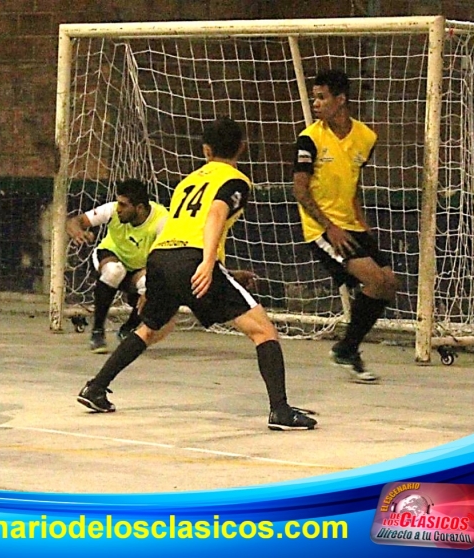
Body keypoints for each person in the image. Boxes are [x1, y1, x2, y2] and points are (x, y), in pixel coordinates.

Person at [77, 117, 317, 431]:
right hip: (193, 259)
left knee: (150, 328)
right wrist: (207, 263)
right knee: (263, 331)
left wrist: (209, 270)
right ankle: (280, 411)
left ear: (205, 149)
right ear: (242, 147)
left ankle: (96, 388)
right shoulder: (235, 180)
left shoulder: (187, 182)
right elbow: (216, 213)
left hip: (161, 259)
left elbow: (182, 229)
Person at [292, 69, 398, 384]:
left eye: (322, 97)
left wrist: (363, 228)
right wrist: (331, 227)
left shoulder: (365, 138)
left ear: (341, 100)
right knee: (374, 279)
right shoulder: (309, 139)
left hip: (351, 224)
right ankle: (347, 349)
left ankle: (347, 349)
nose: (316, 104)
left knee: (389, 282)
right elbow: (300, 190)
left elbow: (353, 187)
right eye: (314, 98)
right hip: (321, 228)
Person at [66, 179, 168, 353]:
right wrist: (78, 231)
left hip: (141, 267)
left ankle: (128, 328)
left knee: (150, 284)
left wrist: (152, 286)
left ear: (140, 208)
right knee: (114, 271)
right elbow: (75, 221)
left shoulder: (162, 220)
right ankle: (97, 331)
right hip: (111, 256)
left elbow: (162, 259)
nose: (118, 208)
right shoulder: (111, 210)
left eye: (124, 205)